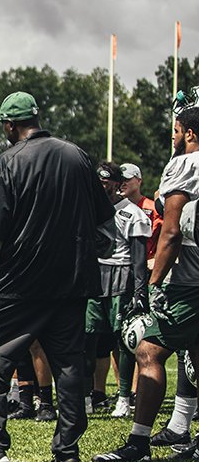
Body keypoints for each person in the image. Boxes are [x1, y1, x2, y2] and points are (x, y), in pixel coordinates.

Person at [0, 91, 113, 462]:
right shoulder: (77, 156)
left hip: (16, 283)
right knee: (68, 365)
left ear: (10, 125)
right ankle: (67, 453)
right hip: (71, 281)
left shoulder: (5, 164)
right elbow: (105, 225)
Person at [97, 107, 199, 462]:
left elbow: (170, 232)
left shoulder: (185, 164)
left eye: (175, 130)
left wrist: (155, 285)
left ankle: (138, 443)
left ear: (189, 133)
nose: (172, 137)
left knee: (148, 350)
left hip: (191, 280)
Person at [86, 163, 149, 419]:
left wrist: (139, 290)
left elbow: (138, 258)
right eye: (98, 182)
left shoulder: (132, 213)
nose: (101, 187)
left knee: (123, 341)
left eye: (106, 182)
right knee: (86, 338)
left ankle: (124, 397)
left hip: (120, 278)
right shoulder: (87, 210)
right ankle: (85, 395)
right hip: (92, 279)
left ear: (117, 184)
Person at [119, 163, 161, 261]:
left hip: (146, 265)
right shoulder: (113, 208)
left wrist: (156, 259)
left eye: (127, 179)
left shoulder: (153, 208)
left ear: (139, 181)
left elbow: (166, 238)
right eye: (120, 180)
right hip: (120, 265)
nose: (123, 183)